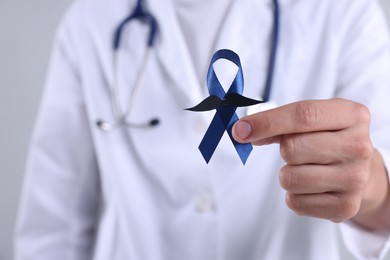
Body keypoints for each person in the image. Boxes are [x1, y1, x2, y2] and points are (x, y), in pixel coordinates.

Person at [15, 0, 390, 259]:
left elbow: (379, 187)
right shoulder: (92, 20)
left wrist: (372, 188)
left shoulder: (343, 12)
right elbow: (53, 229)